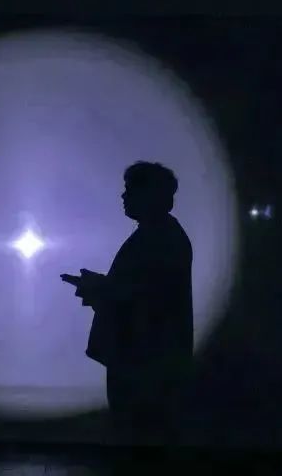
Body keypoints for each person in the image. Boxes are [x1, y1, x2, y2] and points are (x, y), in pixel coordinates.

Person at [62, 162, 194, 444]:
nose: (123, 196)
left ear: (149, 195)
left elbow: (144, 298)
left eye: (130, 190)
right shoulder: (158, 235)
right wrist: (99, 286)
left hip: (143, 364)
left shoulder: (157, 239)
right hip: (142, 360)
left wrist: (97, 287)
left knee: (137, 438)